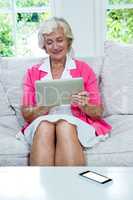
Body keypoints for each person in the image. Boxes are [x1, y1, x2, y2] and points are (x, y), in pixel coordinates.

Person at [20, 17, 112, 166]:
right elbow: (26, 114)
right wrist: (44, 106)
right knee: (45, 126)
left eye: (59, 40)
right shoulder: (33, 72)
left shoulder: (84, 69)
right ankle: (40, 188)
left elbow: (98, 112)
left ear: (68, 41)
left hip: (74, 121)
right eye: (49, 42)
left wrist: (84, 105)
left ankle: (71, 187)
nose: (55, 46)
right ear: (44, 46)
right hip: (43, 121)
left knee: (64, 125)